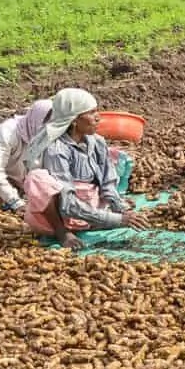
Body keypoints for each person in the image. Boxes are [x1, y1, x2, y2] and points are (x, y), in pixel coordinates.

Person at [21, 88, 148, 250]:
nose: (98, 117)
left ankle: (94, 221)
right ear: (74, 120)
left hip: (91, 211)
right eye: (91, 112)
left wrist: (121, 209)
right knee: (37, 178)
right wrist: (119, 220)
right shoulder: (57, 149)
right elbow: (68, 204)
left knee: (118, 157)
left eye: (97, 111)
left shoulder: (97, 142)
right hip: (61, 217)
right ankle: (62, 233)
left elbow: (108, 183)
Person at [0, 99, 51, 212]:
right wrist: (15, 202)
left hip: (14, 177)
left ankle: (3, 196)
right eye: (46, 122)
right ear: (37, 119)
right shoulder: (9, 131)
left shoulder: (48, 138)